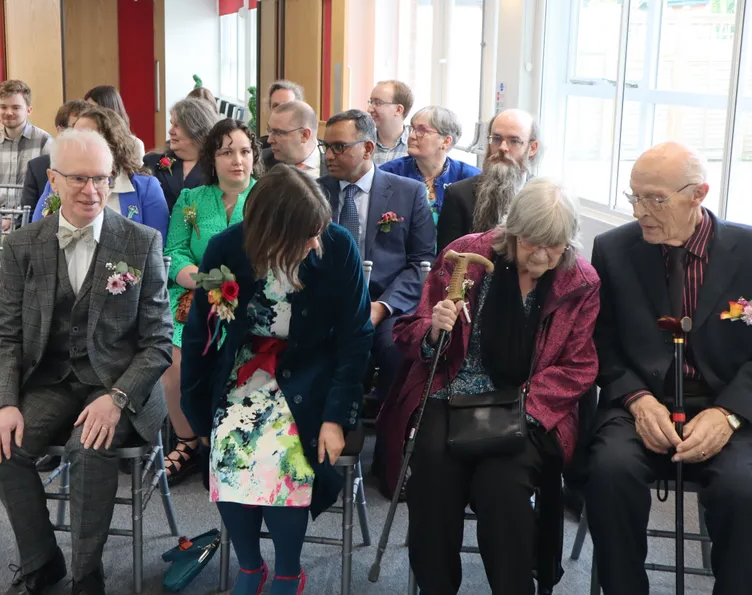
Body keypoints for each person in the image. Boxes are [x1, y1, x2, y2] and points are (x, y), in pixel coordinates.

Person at [378, 178, 600, 594]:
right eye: (531, 242)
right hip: (451, 389)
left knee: (502, 486)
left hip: (527, 405)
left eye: (554, 246)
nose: (541, 255)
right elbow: (409, 332)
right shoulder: (467, 255)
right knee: (432, 474)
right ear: (511, 232)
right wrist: (433, 331)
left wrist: (523, 412)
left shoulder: (579, 281)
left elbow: (579, 367)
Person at [0, 128, 172, 595]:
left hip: (118, 382)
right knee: (3, 447)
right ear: (53, 179)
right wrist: (5, 402)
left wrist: (119, 398)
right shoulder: (23, 245)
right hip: (51, 379)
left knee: (88, 451)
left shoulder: (140, 242)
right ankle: (43, 561)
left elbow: (158, 342)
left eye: (102, 179)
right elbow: (5, 334)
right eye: (79, 179)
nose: (92, 191)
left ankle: (88, 578)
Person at [180, 164, 374, 595]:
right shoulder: (223, 250)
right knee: (228, 446)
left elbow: (357, 337)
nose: (314, 242)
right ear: (270, 235)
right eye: (305, 236)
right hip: (244, 368)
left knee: (282, 454)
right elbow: (201, 333)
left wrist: (335, 416)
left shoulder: (336, 247)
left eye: (317, 232)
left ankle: (288, 571)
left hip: (311, 374)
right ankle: (250, 567)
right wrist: (197, 412)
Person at [584, 142, 752, 595]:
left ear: (699, 193)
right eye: (634, 197)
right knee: (609, 471)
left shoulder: (749, 251)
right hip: (640, 397)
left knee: (745, 489)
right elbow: (602, 343)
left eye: (655, 199)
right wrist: (637, 400)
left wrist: (729, 413)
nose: (641, 211)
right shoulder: (613, 250)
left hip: (727, 403)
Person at [317, 109, 436, 489]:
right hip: (329, 307)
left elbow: (421, 265)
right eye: (325, 146)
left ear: (368, 148)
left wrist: (381, 308)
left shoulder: (407, 192)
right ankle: (322, 447)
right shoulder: (315, 192)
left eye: (338, 146)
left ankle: (389, 460)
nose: (328, 155)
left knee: (399, 352)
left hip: (386, 306)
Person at [161, 118, 260, 485]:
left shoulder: (267, 198)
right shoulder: (191, 199)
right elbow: (175, 253)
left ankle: (228, 438)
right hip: (194, 294)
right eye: (226, 152)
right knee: (175, 355)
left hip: (251, 297)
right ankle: (189, 441)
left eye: (245, 151)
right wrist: (204, 282)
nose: (237, 160)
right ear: (212, 158)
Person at [31, 105, 169, 242]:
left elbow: (157, 244)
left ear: (112, 142)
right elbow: (37, 235)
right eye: (75, 135)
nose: (77, 143)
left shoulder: (145, 187)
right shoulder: (59, 180)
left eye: (87, 136)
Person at [437, 109, 540, 252]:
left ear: (533, 148)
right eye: (496, 139)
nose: (503, 147)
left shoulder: (544, 198)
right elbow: (447, 262)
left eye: (514, 141)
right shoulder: (459, 195)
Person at [380, 106, 481, 229]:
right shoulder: (389, 173)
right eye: (412, 128)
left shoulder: (471, 178)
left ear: (446, 141)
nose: (411, 136)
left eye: (422, 131)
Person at [0, 79, 53, 211]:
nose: (8, 112)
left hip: (29, 216)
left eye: (16, 107)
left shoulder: (45, 141)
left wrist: (16, 217)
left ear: (29, 110)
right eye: (3, 107)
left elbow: (45, 191)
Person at [142, 98, 219, 212]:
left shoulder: (218, 166)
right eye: (171, 124)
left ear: (196, 128)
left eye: (177, 125)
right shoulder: (153, 162)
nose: (170, 131)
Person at [23, 100, 92, 213]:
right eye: (76, 127)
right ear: (61, 131)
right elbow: (27, 217)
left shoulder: (97, 170)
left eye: (87, 129)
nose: (82, 135)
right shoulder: (37, 168)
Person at [83, 85, 145, 161]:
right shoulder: (83, 141)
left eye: (94, 110)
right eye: (87, 109)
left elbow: (137, 172)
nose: (88, 114)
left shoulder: (134, 145)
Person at [265, 100, 325, 178]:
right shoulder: (261, 161)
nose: (269, 140)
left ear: (304, 135)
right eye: (270, 130)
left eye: (278, 132)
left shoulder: (334, 170)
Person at [367, 80, 413, 165]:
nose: (369, 109)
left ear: (398, 110)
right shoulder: (363, 143)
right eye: (371, 102)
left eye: (378, 103)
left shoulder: (416, 146)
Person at [259, 80, 305, 165]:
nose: (281, 111)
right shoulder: (258, 153)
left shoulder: (316, 150)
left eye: (287, 106)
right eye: (276, 106)